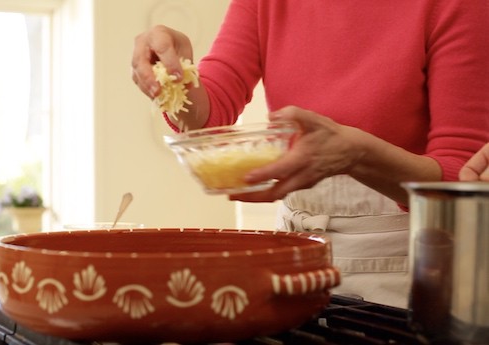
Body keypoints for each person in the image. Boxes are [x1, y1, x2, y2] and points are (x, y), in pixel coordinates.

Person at [131, 0, 489, 308]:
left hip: (409, 266)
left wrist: (360, 156)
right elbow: (208, 112)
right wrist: (173, 77)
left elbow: (463, 186)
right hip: (296, 255)